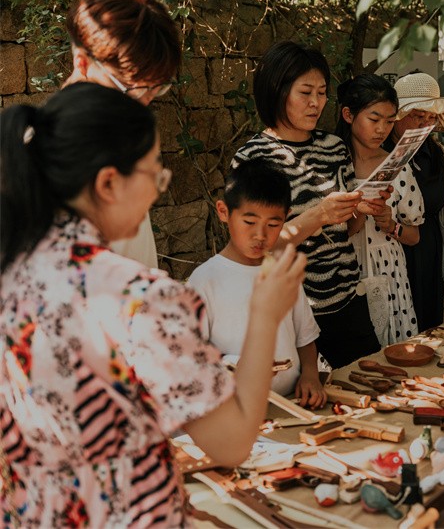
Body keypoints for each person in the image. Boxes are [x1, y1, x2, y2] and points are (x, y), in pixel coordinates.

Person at [0, 83, 305, 526]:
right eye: (154, 174)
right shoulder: (140, 299)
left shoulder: (12, 273)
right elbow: (232, 443)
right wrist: (265, 315)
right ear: (109, 182)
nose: (158, 192)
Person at [233, 41, 387, 368]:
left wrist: (359, 208)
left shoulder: (334, 147)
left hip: (348, 301)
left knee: (374, 392)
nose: (316, 103)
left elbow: (347, 231)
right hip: (295, 312)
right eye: (306, 93)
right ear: (277, 90)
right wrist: (319, 215)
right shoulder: (254, 159)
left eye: (322, 92)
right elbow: (254, 249)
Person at [188, 159, 326, 408]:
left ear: (286, 220)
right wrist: (231, 363)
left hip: (293, 403)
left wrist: (310, 375)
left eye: (273, 224)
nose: (260, 235)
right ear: (223, 212)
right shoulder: (204, 280)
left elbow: (305, 337)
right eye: (249, 222)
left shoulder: (283, 272)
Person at [64, 0, 181, 269]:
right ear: (82, 63)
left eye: (157, 88)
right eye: (132, 89)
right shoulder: (50, 153)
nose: (146, 102)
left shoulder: (127, 133)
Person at [335, 74, 424, 344]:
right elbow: (333, 233)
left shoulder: (397, 166)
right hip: (345, 270)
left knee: (392, 348)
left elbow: (414, 235)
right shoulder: (332, 163)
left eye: (389, 121)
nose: (382, 129)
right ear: (349, 115)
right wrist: (360, 209)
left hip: (389, 270)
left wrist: (391, 224)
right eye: (374, 119)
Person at [385, 73, 444, 331]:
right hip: (387, 252)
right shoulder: (377, 152)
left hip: (428, 252)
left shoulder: (441, 159)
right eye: (418, 116)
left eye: (431, 118)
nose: (424, 124)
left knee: (426, 327)